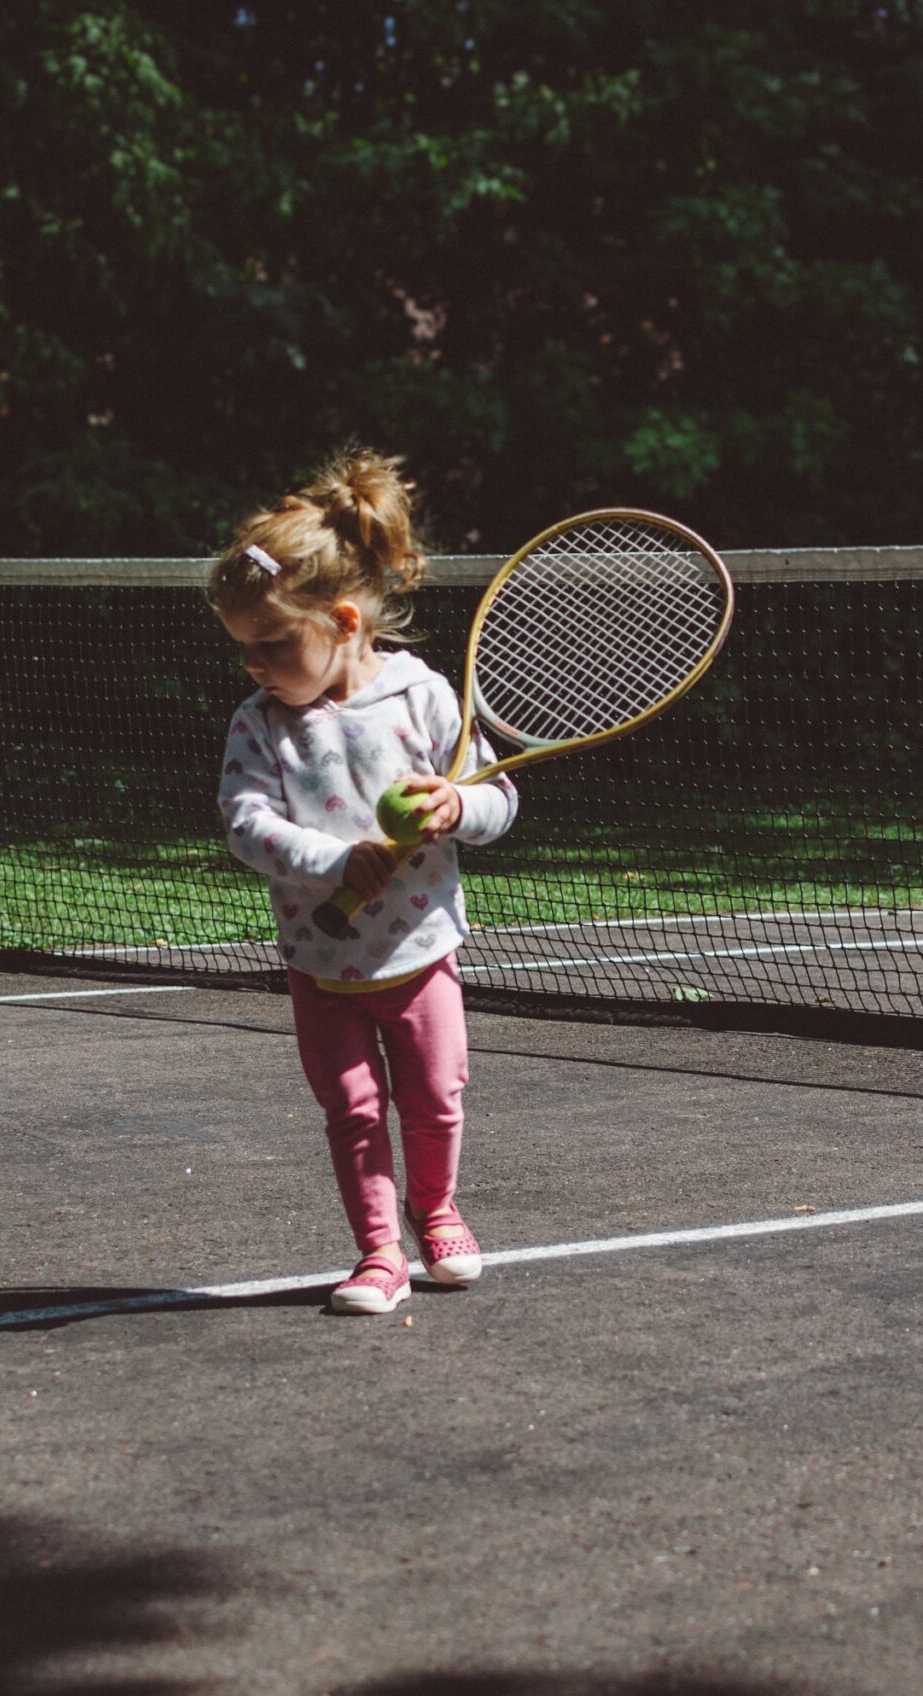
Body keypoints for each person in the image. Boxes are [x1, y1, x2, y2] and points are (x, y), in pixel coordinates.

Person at [208, 447, 518, 1315]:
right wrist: (336, 862)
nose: (257, 667)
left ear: (344, 620)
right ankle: (379, 1252)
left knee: (436, 1099)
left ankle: (437, 1209)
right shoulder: (260, 724)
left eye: (272, 645)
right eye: (245, 651)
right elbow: (246, 825)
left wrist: (458, 807)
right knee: (352, 1111)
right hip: (321, 962)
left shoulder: (421, 698)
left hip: (420, 953)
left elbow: (498, 799)